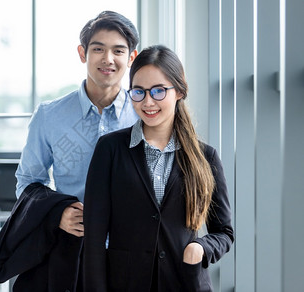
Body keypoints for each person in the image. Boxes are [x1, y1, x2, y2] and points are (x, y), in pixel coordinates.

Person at [0, 11, 139, 291]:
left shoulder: (145, 114)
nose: (108, 59)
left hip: (131, 253)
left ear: (131, 57)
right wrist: (57, 213)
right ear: (83, 54)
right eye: (98, 49)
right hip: (71, 252)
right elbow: (28, 182)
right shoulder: (49, 115)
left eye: (118, 50)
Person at [82, 45, 234, 291]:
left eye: (159, 91)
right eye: (138, 92)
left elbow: (225, 232)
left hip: (184, 282)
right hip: (125, 284)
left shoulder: (205, 157)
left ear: (180, 91)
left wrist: (201, 248)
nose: (148, 102)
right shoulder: (110, 149)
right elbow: (94, 238)